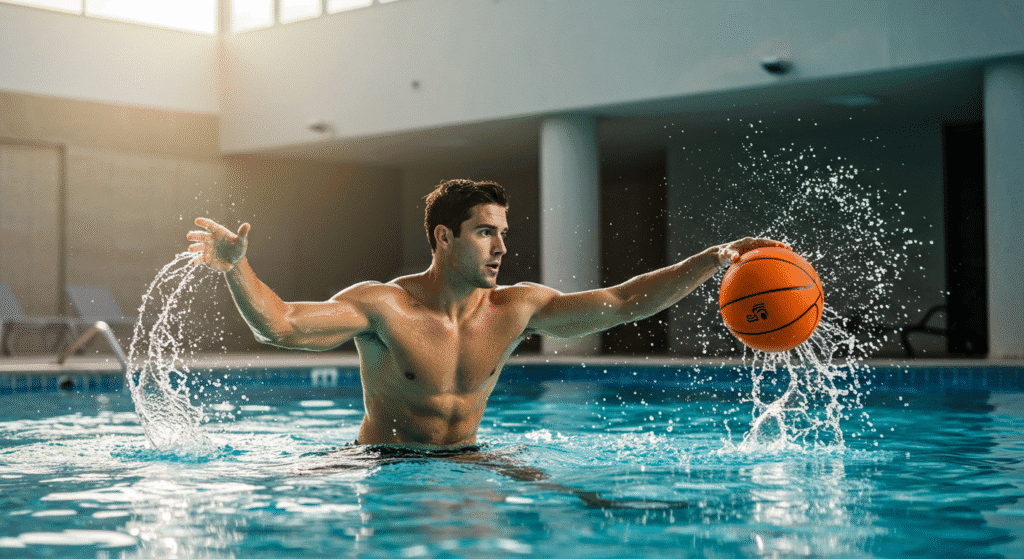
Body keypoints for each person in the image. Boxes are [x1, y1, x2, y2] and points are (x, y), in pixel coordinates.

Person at [187, 179, 784, 449]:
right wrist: (237, 267)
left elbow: (626, 301)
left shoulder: (518, 309)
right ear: (444, 238)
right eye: (484, 233)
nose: (501, 247)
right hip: (381, 465)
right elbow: (282, 324)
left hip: (475, 459)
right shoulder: (384, 307)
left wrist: (710, 260)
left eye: (503, 233)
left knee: (589, 503)